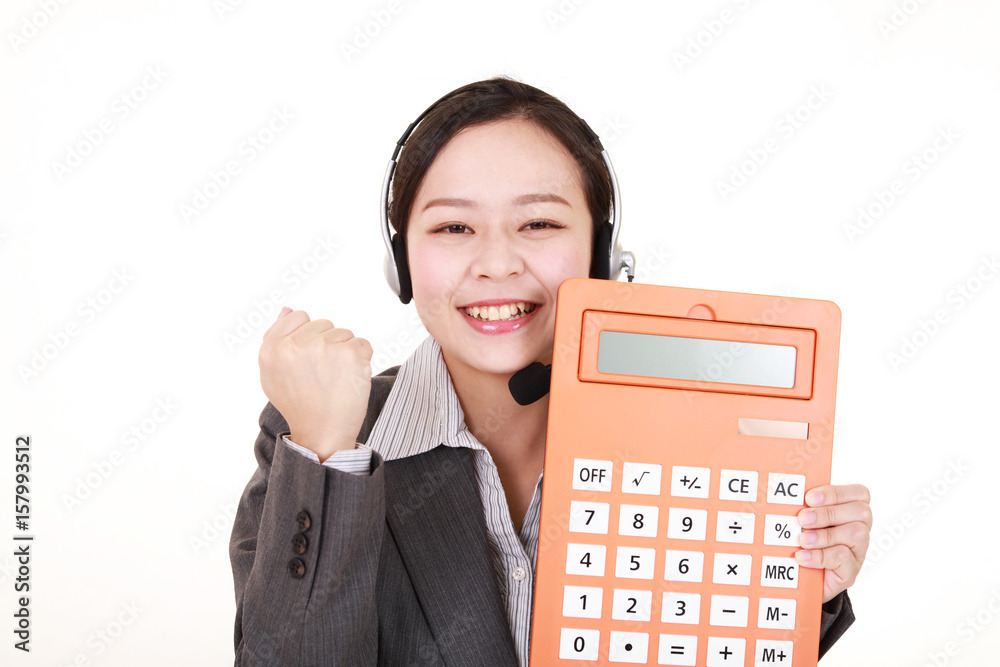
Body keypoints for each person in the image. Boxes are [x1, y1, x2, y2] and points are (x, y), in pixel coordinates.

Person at [229, 77, 872, 666]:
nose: (497, 263)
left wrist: (786, 592)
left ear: (600, 255)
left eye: (538, 222)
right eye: (453, 226)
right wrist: (327, 457)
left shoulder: (695, 439)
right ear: (401, 261)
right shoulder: (316, 433)